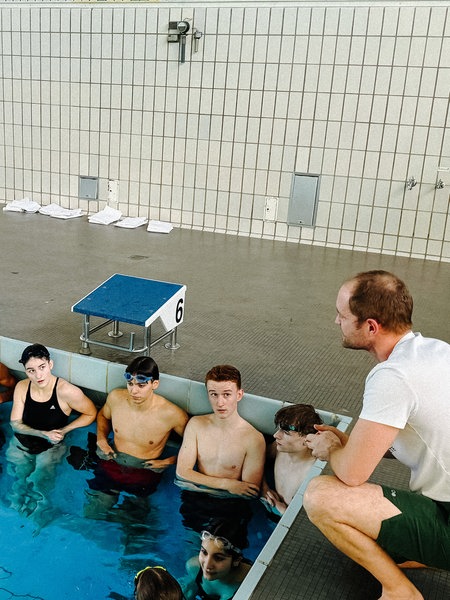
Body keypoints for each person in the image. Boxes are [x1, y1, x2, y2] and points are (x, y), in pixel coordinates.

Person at [302, 270, 450, 600]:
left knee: (320, 496)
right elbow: (418, 434)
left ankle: (400, 591)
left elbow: (353, 474)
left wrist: (330, 448)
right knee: (382, 543)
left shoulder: (392, 376)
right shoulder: (435, 351)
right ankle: (419, 551)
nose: (335, 320)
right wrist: (349, 444)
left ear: (371, 326)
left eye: (342, 315)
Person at [7, 343, 97, 527]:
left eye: (42, 367)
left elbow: (91, 413)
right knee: (18, 479)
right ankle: (16, 517)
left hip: (51, 445)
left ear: (50, 364)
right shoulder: (22, 387)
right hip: (23, 440)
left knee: (39, 480)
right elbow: (15, 424)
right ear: (25, 371)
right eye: (31, 370)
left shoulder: (65, 391)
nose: (38, 375)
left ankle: (40, 514)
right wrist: (41, 432)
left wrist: (64, 430)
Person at [175, 365, 265, 534]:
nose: (220, 402)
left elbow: (248, 491)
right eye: (214, 394)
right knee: (191, 555)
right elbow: (181, 471)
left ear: (239, 395)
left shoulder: (253, 439)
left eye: (227, 394)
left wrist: (201, 483)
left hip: (230, 508)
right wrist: (228, 484)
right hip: (196, 500)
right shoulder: (196, 425)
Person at [89, 355, 189, 498]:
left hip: (144, 473)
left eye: (141, 386)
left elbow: (197, 446)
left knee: (131, 519)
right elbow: (103, 416)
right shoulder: (116, 398)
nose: (133, 391)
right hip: (111, 463)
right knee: (93, 512)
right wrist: (101, 439)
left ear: (154, 384)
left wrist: (168, 462)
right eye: (130, 383)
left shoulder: (172, 414)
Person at [261, 403, 322, 516]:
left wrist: (284, 513)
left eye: (286, 433)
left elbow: (307, 520)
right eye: (279, 429)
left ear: (307, 439)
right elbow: (258, 460)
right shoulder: (279, 448)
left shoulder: (312, 475)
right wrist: (265, 489)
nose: (275, 435)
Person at [181, 519, 252, 600]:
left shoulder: (248, 581)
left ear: (236, 561)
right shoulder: (194, 567)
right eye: (204, 552)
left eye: (218, 558)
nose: (207, 565)